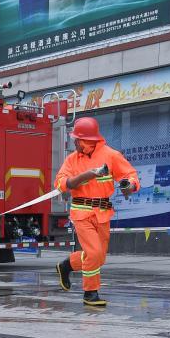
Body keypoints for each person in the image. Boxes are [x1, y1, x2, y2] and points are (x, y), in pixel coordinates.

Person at [54, 117, 139, 307]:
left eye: (77, 139)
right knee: (93, 252)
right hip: (81, 213)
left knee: (99, 257)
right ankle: (90, 293)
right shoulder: (72, 160)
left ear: (87, 140)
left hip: (102, 213)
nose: (74, 142)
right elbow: (60, 183)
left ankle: (66, 265)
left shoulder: (111, 155)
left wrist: (129, 186)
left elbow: (130, 175)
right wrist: (87, 175)